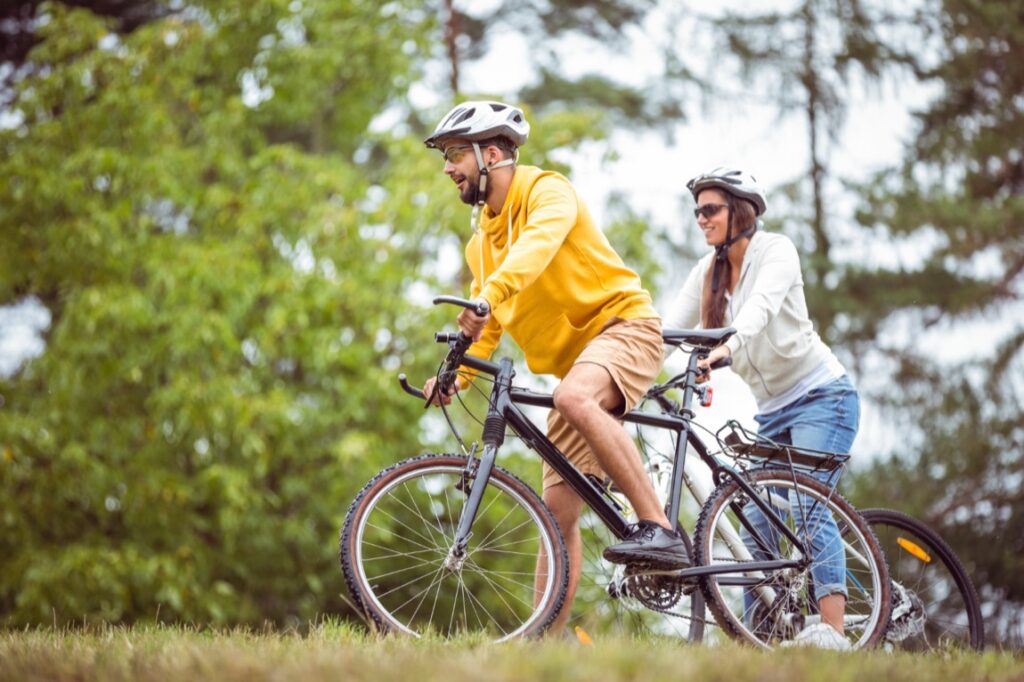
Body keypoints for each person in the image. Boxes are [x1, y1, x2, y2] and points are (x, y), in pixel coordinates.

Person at [420, 100, 690, 633]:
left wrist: (489, 296)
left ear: (491, 153)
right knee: (556, 512)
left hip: (625, 328)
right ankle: (541, 644)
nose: (447, 168)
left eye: (454, 154)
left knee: (573, 398)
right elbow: (490, 326)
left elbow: (537, 249)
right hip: (580, 370)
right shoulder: (481, 245)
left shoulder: (548, 191)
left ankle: (659, 528)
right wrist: (457, 375)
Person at [663, 167, 861, 650]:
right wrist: (621, 377)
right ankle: (765, 642)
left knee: (806, 505)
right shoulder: (708, 273)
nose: (701, 220)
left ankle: (833, 632)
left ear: (741, 212)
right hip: (772, 412)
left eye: (710, 210)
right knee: (755, 525)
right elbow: (664, 334)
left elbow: (761, 310)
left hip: (823, 398)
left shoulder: (777, 251)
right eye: (697, 212)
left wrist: (725, 348)